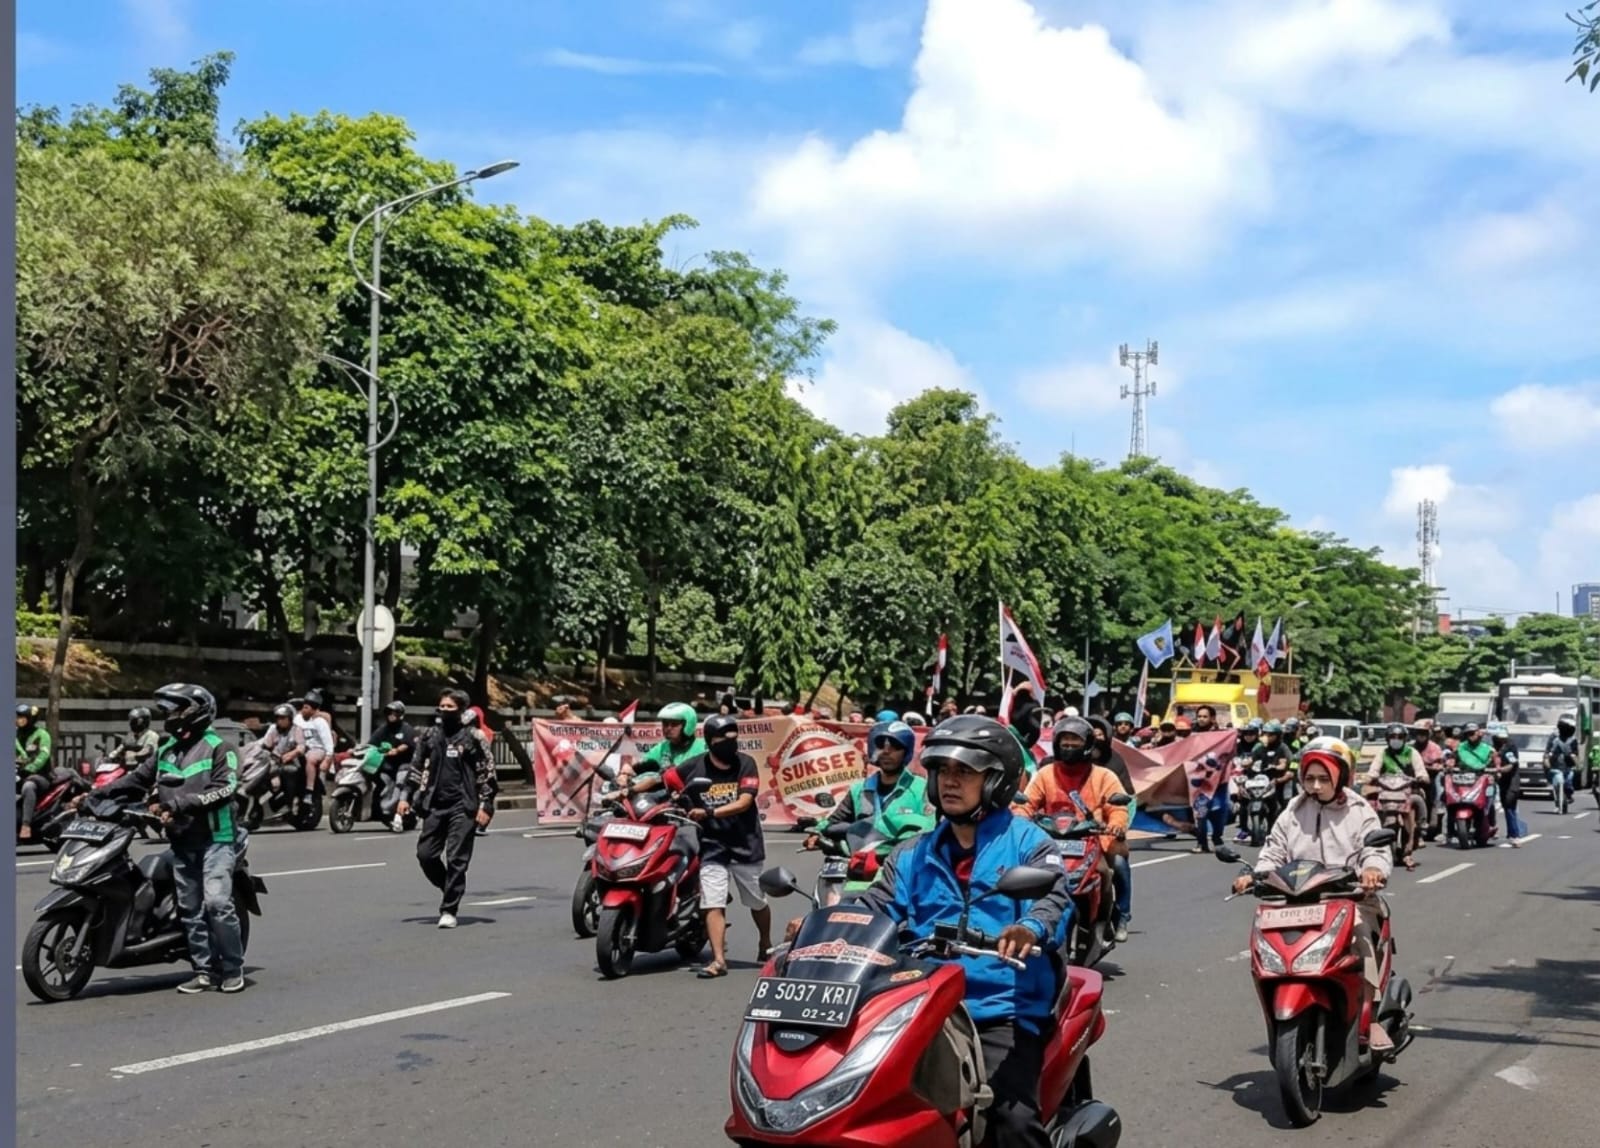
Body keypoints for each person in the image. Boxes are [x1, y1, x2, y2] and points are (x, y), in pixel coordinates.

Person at [791, 714, 1072, 1148]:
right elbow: (874, 904)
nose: (949, 782)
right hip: (922, 999)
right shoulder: (912, 853)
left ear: (997, 780)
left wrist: (1029, 927)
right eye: (942, 771)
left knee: (1010, 1120)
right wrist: (821, 927)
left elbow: (1054, 897)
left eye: (965, 771)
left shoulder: (1028, 842)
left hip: (999, 1005)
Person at [1232, 738, 1394, 1050]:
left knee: (1362, 941)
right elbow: (1273, 852)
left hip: (1352, 899)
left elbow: (1376, 850)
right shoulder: (1293, 811)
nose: (1316, 786)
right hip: (1297, 901)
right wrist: (1253, 875)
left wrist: (1373, 870)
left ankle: (1369, 1017)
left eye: (1323, 778)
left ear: (1340, 777)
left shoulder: (1361, 812)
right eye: (1309, 778)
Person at [97, 684, 247, 993]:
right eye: (169, 711)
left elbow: (224, 789)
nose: (171, 717)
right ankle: (204, 971)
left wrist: (177, 804)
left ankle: (232, 967)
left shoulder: (221, 748)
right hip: (182, 841)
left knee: (217, 903)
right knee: (190, 909)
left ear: (197, 712)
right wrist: (95, 794)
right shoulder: (166, 749)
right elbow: (136, 779)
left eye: (177, 710)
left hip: (217, 839)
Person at [654, 714, 771, 977]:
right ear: (709, 741)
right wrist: (632, 789)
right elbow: (668, 779)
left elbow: (743, 803)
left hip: (745, 844)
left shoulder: (746, 764)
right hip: (712, 844)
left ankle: (765, 942)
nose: (730, 742)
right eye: (723, 738)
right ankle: (719, 960)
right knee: (713, 902)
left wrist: (709, 813)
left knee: (755, 900)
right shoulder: (694, 767)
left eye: (733, 737)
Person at [1017, 716, 1129, 938]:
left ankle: (1110, 919)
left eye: (1075, 741)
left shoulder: (1103, 775)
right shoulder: (1045, 774)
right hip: (1050, 841)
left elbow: (1117, 809)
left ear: (1087, 745)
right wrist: (1021, 819)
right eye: (1064, 741)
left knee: (1111, 870)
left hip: (1093, 840)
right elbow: (1026, 804)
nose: (1068, 746)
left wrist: (1116, 824)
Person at [395, 690, 498, 928]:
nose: (445, 710)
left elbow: (487, 773)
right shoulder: (430, 735)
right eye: (442, 705)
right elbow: (416, 767)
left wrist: (487, 805)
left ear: (461, 709)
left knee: (456, 858)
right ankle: (450, 886)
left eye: (451, 706)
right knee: (426, 855)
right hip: (434, 804)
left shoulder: (473, 737)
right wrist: (405, 796)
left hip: (463, 806)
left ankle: (449, 909)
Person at [805, 720, 929, 848]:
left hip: (904, 860)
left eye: (895, 746)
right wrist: (817, 832)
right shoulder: (859, 789)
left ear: (906, 751)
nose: (886, 752)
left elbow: (931, 828)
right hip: (859, 860)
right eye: (881, 745)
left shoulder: (922, 789)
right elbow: (834, 821)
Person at [1086, 715, 1136, 941]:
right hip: (1069, 836)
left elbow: (1126, 799)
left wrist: (1117, 826)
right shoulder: (1055, 768)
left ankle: (1122, 914)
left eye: (1099, 734)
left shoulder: (1113, 766)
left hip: (1103, 835)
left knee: (1118, 865)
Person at [1365, 722, 1429, 869]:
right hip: (1387, 792)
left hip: (1409, 791)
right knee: (1369, 802)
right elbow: (1373, 770)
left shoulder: (1412, 753)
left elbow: (1421, 772)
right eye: (1393, 736)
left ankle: (1420, 829)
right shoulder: (1383, 753)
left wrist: (1420, 777)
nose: (1396, 739)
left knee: (1418, 800)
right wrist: (1369, 778)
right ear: (1388, 739)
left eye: (1400, 736)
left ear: (1405, 739)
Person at [618, 701, 705, 787]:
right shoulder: (662, 747)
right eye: (665, 724)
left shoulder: (702, 748)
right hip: (665, 795)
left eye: (674, 724)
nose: (668, 728)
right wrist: (626, 773)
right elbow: (643, 765)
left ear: (688, 725)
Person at [15, 704, 61, 841]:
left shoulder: (42, 735)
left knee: (28, 787)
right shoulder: (15, 735)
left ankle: (25, 825)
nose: (18, 720)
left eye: (22, 717)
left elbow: (43, 756)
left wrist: (29, 769)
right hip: (18, 774)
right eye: (17, 717)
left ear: (30, 719)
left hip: (40, 776)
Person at [373, 701, 416, 819]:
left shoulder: (406, 729)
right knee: (380, 779)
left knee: (400, 781)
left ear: (400, 714)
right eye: (389, 713)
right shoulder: (383, 729)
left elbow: (407, 744)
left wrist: (396, 750)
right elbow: (372, 743)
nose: (391, 715)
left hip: (404, 765)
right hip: (387, 765)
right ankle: (378, 807)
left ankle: (396, 810)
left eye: (394, 713)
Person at [293, 694, 334, 813]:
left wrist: (327, 759)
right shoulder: (298, 719)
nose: (303, 710)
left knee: (310, 758)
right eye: (302, 707)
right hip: (302, 749)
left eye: (306, 708)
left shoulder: (321, 722)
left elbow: (328, 743)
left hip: (319, 750)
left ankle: (309, 792)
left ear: (313, 709)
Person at [1490, 724, 1525, 846]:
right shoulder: (1490, 746)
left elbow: (1511, 765)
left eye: (1503, 738)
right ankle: (1489, 828)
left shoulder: (1510, 746)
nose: (1501, 741)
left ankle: (1514, 835)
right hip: (1492, 778)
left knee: (1509, 804)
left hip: (1511, 779)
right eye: (1499, 738)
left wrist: (1499, 770)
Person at [1544, 714, 1580, 809]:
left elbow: (1575, 754)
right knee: (1557, 779)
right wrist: (1547, 761)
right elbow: (1548, 752)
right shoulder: (1554, 738)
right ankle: (1557, 794)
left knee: (1569, 780)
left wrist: (1576, 763)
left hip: (1567, 767)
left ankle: (1568, 795)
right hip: (1555, 766)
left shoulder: (1573, 740)